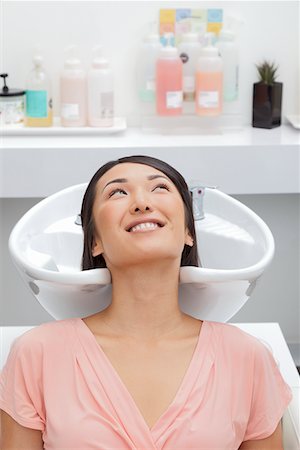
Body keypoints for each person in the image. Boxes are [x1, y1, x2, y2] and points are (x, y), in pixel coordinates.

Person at [0, 155, 292, 449]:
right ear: (94, 242)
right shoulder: (37, 355)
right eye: (118, 192)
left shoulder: (247, 358)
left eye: (160, 188)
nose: (142, 203)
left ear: (189, 232)